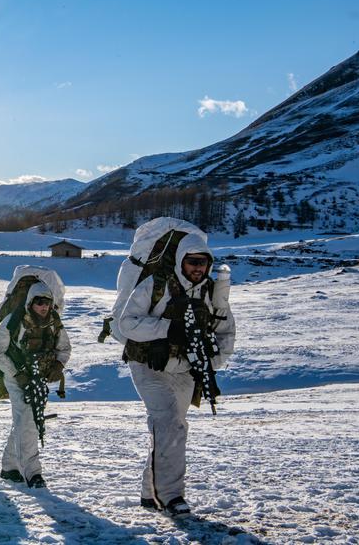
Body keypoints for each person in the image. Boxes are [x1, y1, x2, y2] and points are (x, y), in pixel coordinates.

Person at [115, 220, 235, 516]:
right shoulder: (155, 284)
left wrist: (209, 361)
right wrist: (169, 329)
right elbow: (127, 323)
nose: (198, 268)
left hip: (185, 370)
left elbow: (226, 334)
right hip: (147, 365)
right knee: (168, 422)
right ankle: (170, 496)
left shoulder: (211, 293)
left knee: (173, 429)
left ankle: (148, 494)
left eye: (203, 263)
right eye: (193, 261)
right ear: (181, 260)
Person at [0, 279, 70, 489]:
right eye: (39, 301)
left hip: (39, 378)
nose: (44, 306)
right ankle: (32, 473)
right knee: (30, 422)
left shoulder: (54, 322)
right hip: (16, 379)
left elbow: (64, 348)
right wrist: (18, 373)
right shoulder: (14, 321)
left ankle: (9, 467)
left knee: (25, 421)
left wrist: (58, 365)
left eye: (47, 302)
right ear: (31, 302)